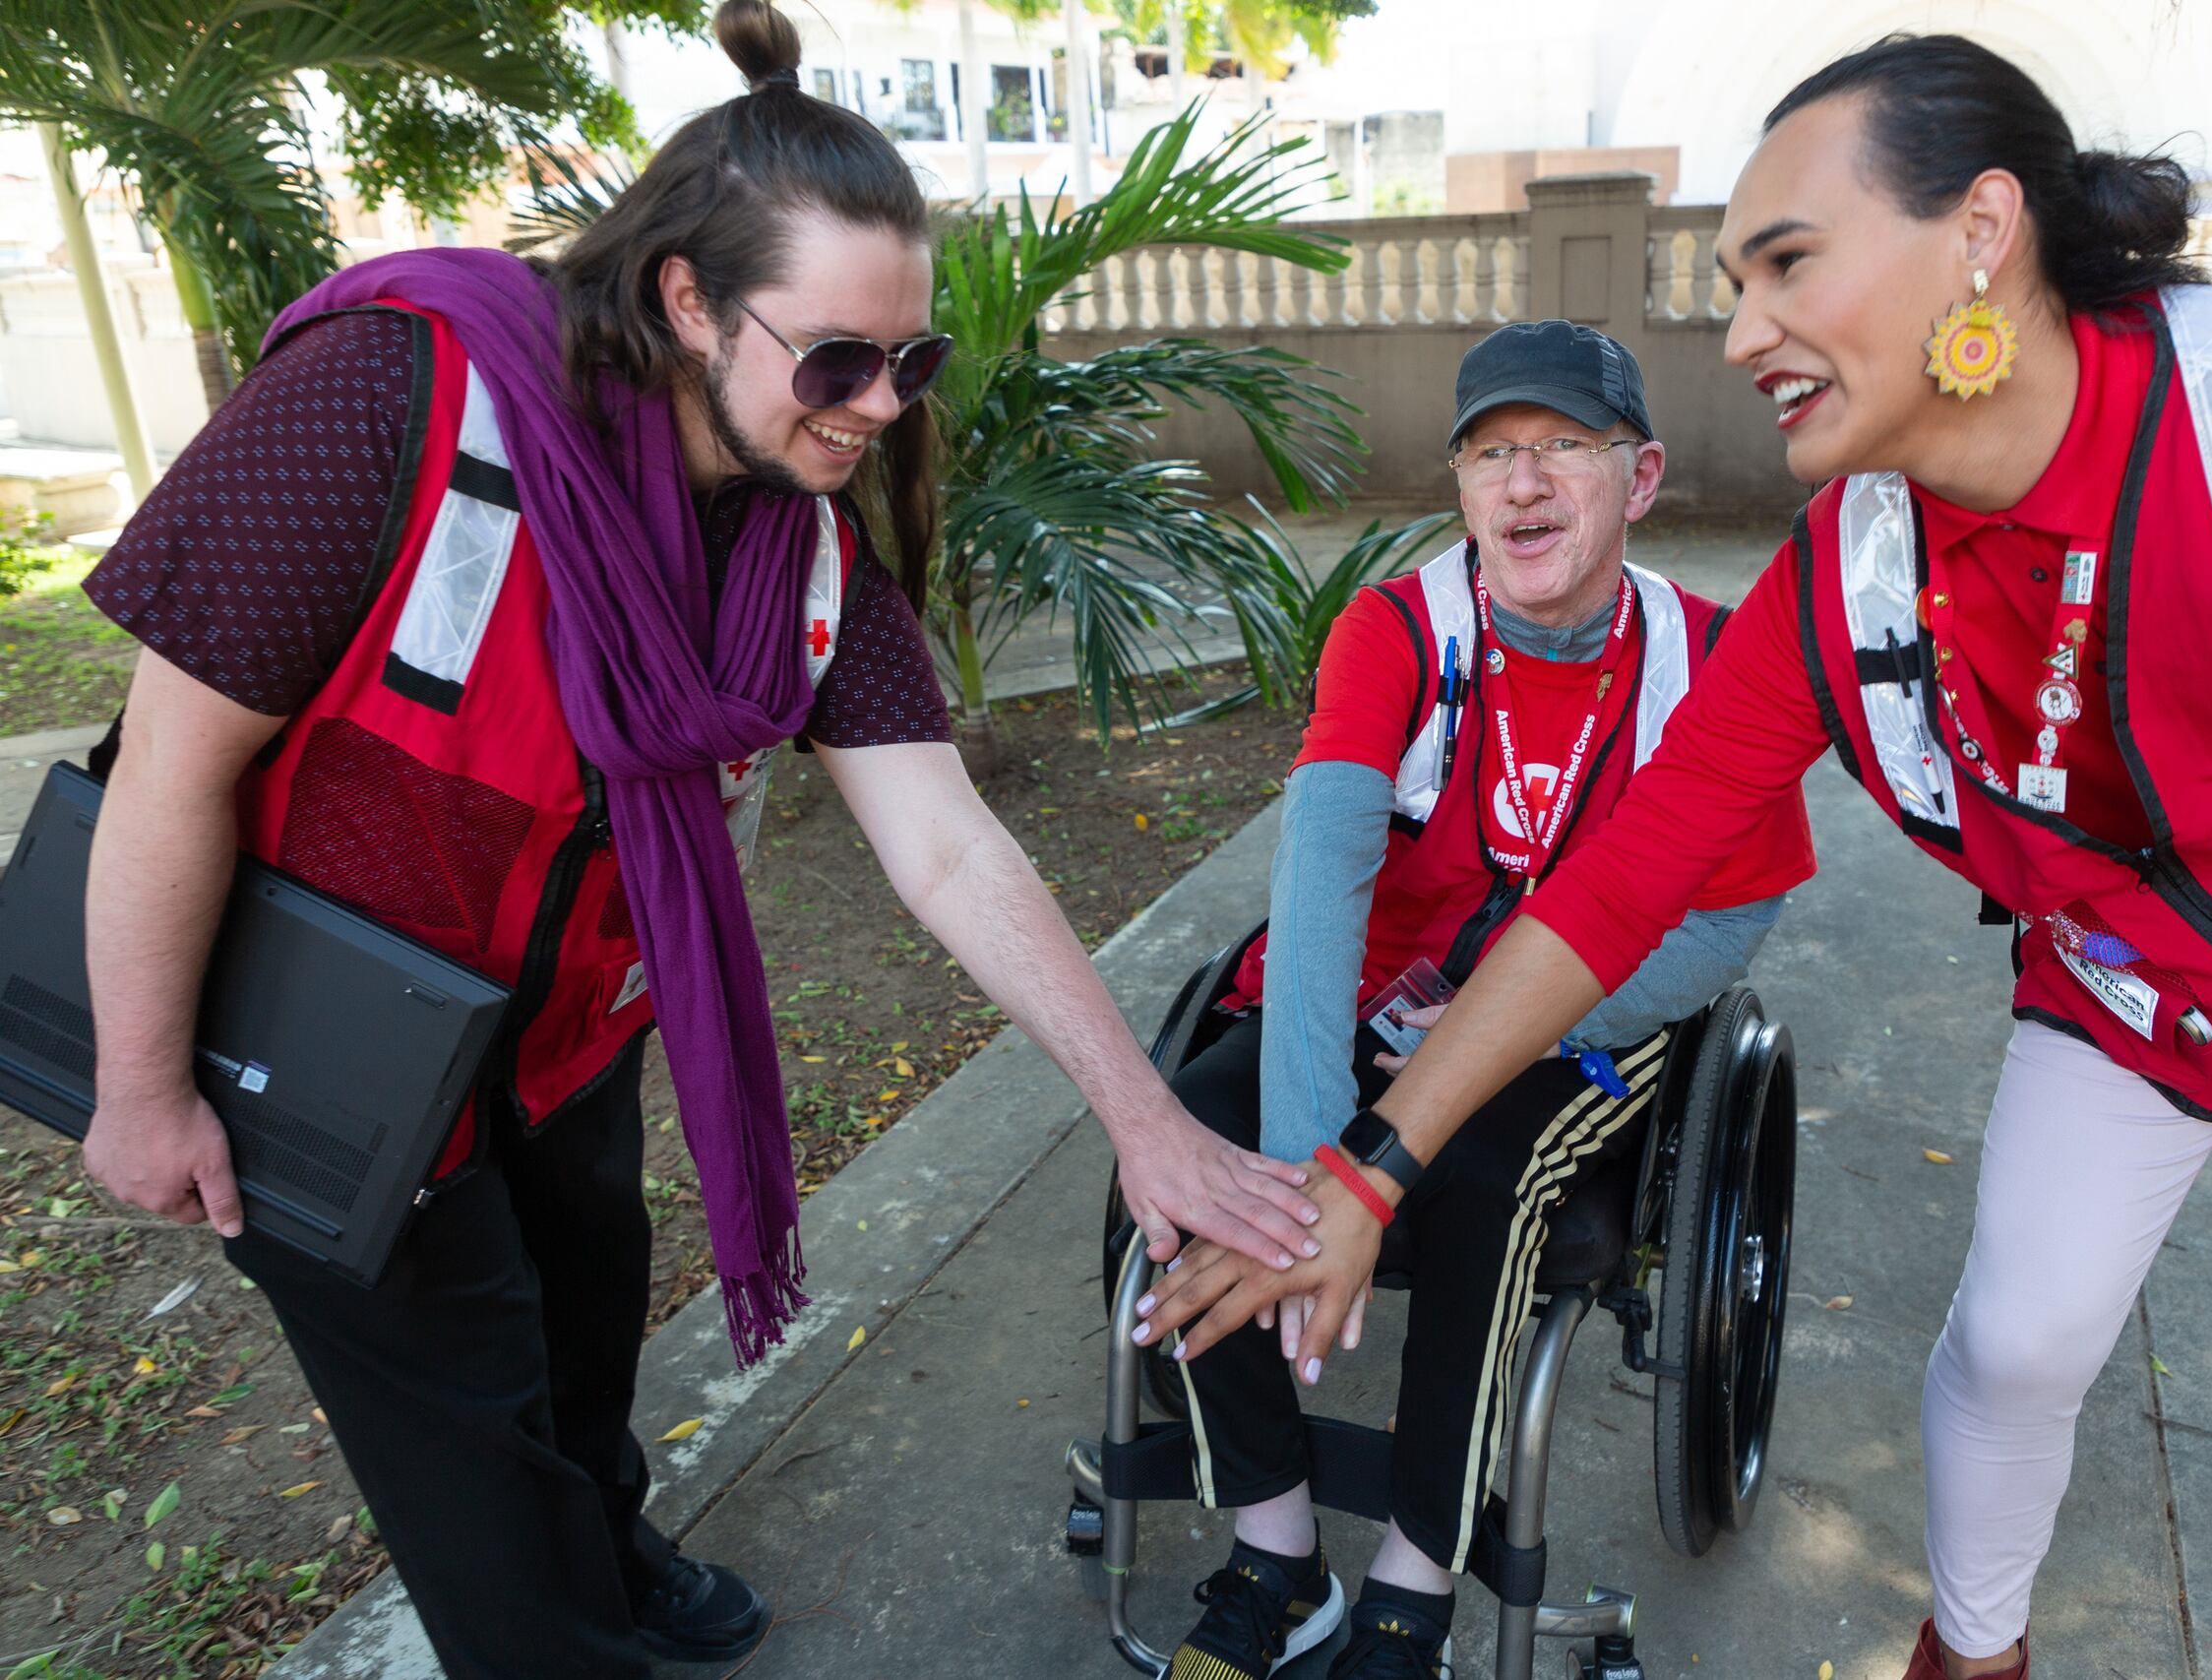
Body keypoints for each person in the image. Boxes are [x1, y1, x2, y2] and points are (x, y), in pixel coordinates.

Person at [1137, 33, 2212, 1680]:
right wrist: (1362, 1167)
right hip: (2143, 978)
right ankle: (1975, 1651)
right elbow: (1621, 883)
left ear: (1981, 232)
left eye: (1787, 262)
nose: (1741, 332)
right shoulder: (1835, 583)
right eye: (1733, 279)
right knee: (2017, 1344)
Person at [72, 6, 1322, 1675]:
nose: (879, 406)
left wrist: (1144, 1119)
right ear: (683, 299)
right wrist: (142, 1091)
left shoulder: (780, 542)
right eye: (836, 361)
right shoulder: (396, 388)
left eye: (912, 362)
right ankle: (556, 1623)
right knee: (474, 1448)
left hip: (561, 1028)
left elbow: (945, 840)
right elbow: (170, 763)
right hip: (335, 1030)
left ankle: (610, 1536)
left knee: (585, 1331)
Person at [1139, 320, 1814, 1680]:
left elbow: (1728, 920)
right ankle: (1278, 1558)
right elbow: (1322, 874)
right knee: (1187, 1155)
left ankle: (1412, 1583)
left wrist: (1521, 1029)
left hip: (1579, 1031)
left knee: (1494, 1185)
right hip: (1378, 991)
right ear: (1458, 488)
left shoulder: (1711, 659)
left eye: (1568, 447)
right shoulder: (1395, 629)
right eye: (1494, 453)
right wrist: (1304, 1169)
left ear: (1643, 477)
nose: (1526, 485)